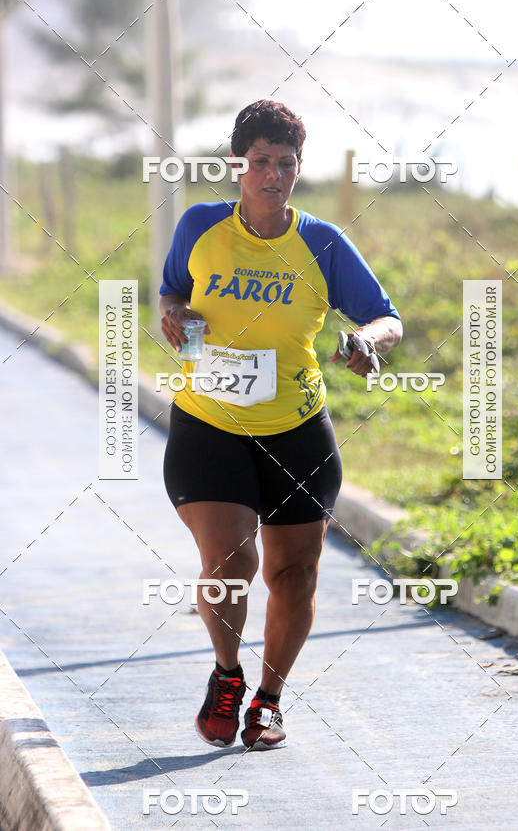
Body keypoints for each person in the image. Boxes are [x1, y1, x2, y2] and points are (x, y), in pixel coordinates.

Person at [159, 100, 403, 750]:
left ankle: (268, 701)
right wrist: (174, 313)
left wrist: (369, 342)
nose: (272, 175)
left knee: (293, 576)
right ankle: (228, 674)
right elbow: (172, 290)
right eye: (259, 162)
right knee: (230, 559)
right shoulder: (200, 226)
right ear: (237, 165)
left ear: (299, 169)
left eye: (285, 164)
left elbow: (386, 316)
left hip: (295, 431)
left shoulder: (322, 243)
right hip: (209, 423)